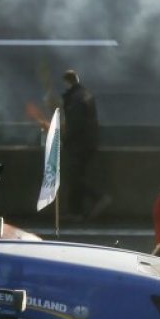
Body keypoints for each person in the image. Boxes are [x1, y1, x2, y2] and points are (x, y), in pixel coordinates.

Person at [59, 70, 111, 222]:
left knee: (75, 178)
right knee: (78, 176)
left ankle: (96, 198)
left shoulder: (76, 99)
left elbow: (75, 124)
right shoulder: (85, 94)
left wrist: (65, 139)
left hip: (78, 144)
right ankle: (77, 212)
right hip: (88, 143)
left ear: (67, 82)